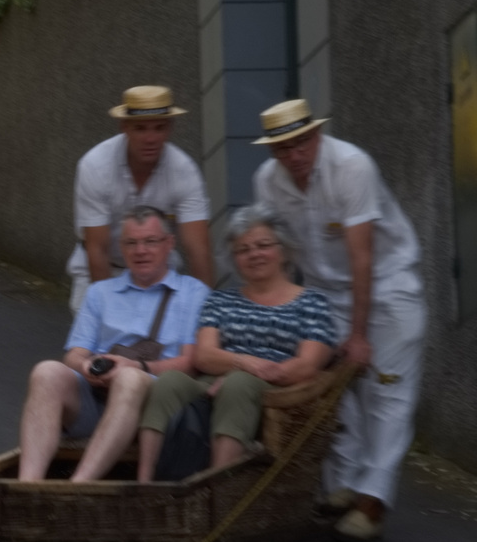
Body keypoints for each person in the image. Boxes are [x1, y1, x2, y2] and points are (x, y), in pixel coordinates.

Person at [251, 98, 424, 542]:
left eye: (303, 141)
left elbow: (361, 255)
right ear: (272, 150)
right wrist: (281, 316)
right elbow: (278, 252)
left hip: (386, 286)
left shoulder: (352, 165)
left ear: (317, 135)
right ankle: (345, 485)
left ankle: (373, 503)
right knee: (331, 392)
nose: (296, 154)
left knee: (388, 394)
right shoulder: (267, 182)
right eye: (285, 146)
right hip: (323, 293)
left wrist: (360, 334)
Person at [136, 205, 336, 481]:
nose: (254, 254)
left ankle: (216, 489)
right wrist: (242, 364)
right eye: (243, 250)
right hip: (214, 381)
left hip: (274, 387)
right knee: (170, 382)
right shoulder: (221, 300)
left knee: (238, 385)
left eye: (263, 245)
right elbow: (204, 356)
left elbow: (307, 365)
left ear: (284, 250)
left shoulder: (312, 302)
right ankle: (145, 483)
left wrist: (243, 373)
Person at [18, 207, 210, 482]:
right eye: (131, 243)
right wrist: (87, 366)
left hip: (155, 405)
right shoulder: (100, 293)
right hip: (98, 396)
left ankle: (78, 486)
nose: (140, 250)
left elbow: (191, 364)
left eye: (150, 241)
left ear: (169, 244)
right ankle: (28, 485)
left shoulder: (193, 292)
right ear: (122, 248)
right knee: (46, 372)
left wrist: (136, 365)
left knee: (130, 378)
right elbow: (74, 353)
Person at [68, 86, 215, 313]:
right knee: (94, 343)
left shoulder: (184, 170)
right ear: (124, 127)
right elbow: (98, 249)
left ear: (170, 128)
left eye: (159, 128)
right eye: (140, 128)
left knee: (167, 343)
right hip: (100, 268)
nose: (150, 138)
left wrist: (207, 315)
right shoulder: (94, 165)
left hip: (159, 270)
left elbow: (198, 249)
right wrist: (109, 315)